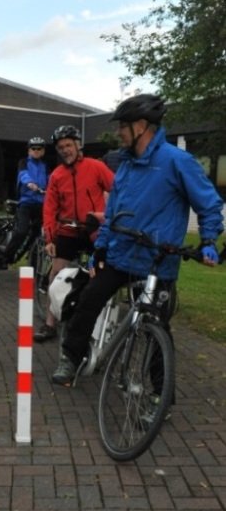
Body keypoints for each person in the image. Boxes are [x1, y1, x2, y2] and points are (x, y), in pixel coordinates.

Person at [52, 94, 224, 387]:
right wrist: (101, 246)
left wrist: (208, 240)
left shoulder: (177, 161)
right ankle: (72, 358)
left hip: (158, 261)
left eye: (123, 125)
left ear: (142, 126)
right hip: (120, 254)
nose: (119, 131)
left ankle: (160, 393)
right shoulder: (127, 165)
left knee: (157, 327)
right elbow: (114, 213)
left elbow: (209, 204)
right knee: (88, 301)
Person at [35, 125, 114, 342]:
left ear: (78, 145)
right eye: (61, 147)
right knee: (56, 273)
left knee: (98, 274)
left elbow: (117, 188)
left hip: (93, 229)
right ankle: (50, 323)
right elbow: (49, 208)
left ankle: (96, 325)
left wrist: (107, 215)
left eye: (68, 145)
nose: (65, 150)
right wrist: (50, 238)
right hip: (68, 229)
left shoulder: (96, 166)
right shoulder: (56, 175)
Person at [3, 136, 48, 263]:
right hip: (26, 203)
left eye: (39, 149)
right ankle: (7, 255)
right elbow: (23, 174)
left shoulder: (45, 166)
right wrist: (30, 183)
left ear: (43, 151)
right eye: (33, 148)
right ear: (29, 151)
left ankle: (31, 256)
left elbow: (51, 180)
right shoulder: (24, 162)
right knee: (21, 231)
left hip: (41, 203)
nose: (36, 151)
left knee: (38, 234)